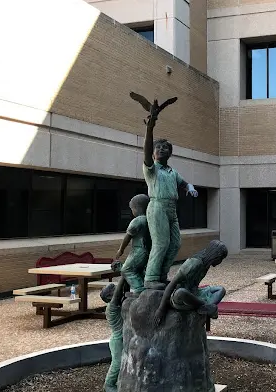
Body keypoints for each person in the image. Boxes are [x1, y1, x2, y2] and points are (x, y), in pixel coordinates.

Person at [137, 95, 198, 289]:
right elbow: (146, 151)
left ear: (170, 153)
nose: (162, 149)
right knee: (161, 243)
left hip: (172, 209)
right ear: (154, 153)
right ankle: (151, 278)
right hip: (157, 207)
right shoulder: (151, 169)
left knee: (175, 244)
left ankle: (161, 275)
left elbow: (183, 182)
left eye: (166, 148)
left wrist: (190, 187)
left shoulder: (172, 171)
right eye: (159, 147)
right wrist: (150, 128)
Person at [153, 240, 228, 325]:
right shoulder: (193, 263)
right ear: (215, 256)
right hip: (181, 297)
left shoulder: (206, 263)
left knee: (220, 290)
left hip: (195, 293)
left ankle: (204, 307)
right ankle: (205, 306)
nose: (220, 262)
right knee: (181, 292)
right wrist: (161, 309)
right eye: (221, 259)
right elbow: (172, 284)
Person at [114, 194, 150, 293]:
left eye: (132, 209)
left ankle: (139, 290)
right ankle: (144, 288)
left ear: (137, 208)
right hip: (148, 250)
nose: (132, 211)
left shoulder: (138, 220)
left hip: (139, 249)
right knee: (139, 270)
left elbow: (128, 236)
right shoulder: (150, 219)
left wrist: (121, 250)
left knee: (127, 270)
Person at [100, 278, 128, 392]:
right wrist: (124, 274)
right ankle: (108, 385)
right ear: (109, 297)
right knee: (117, 363)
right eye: (114, 290)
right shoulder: (111, 307)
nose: (117, 290)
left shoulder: (119, 303)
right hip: (117, 341)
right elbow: (119, 292)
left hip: (122, 338)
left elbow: (124, 289)